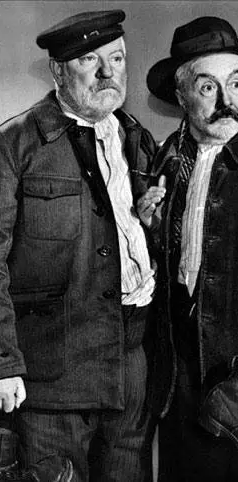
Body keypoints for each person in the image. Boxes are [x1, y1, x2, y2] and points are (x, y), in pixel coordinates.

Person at [0, 9, 160, 482]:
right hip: (50, 373)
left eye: (117, 58)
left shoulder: (138, 139)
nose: (108, 73)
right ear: (57, 71)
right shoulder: (10, 146)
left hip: (131, 365)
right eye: (90, 60)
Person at [141, 16, 238, 482]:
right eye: (208, 87)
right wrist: (150, 230)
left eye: (236, 83)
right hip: (178, 372)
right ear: (181, 97)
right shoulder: (165, 158)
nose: (227, 102)